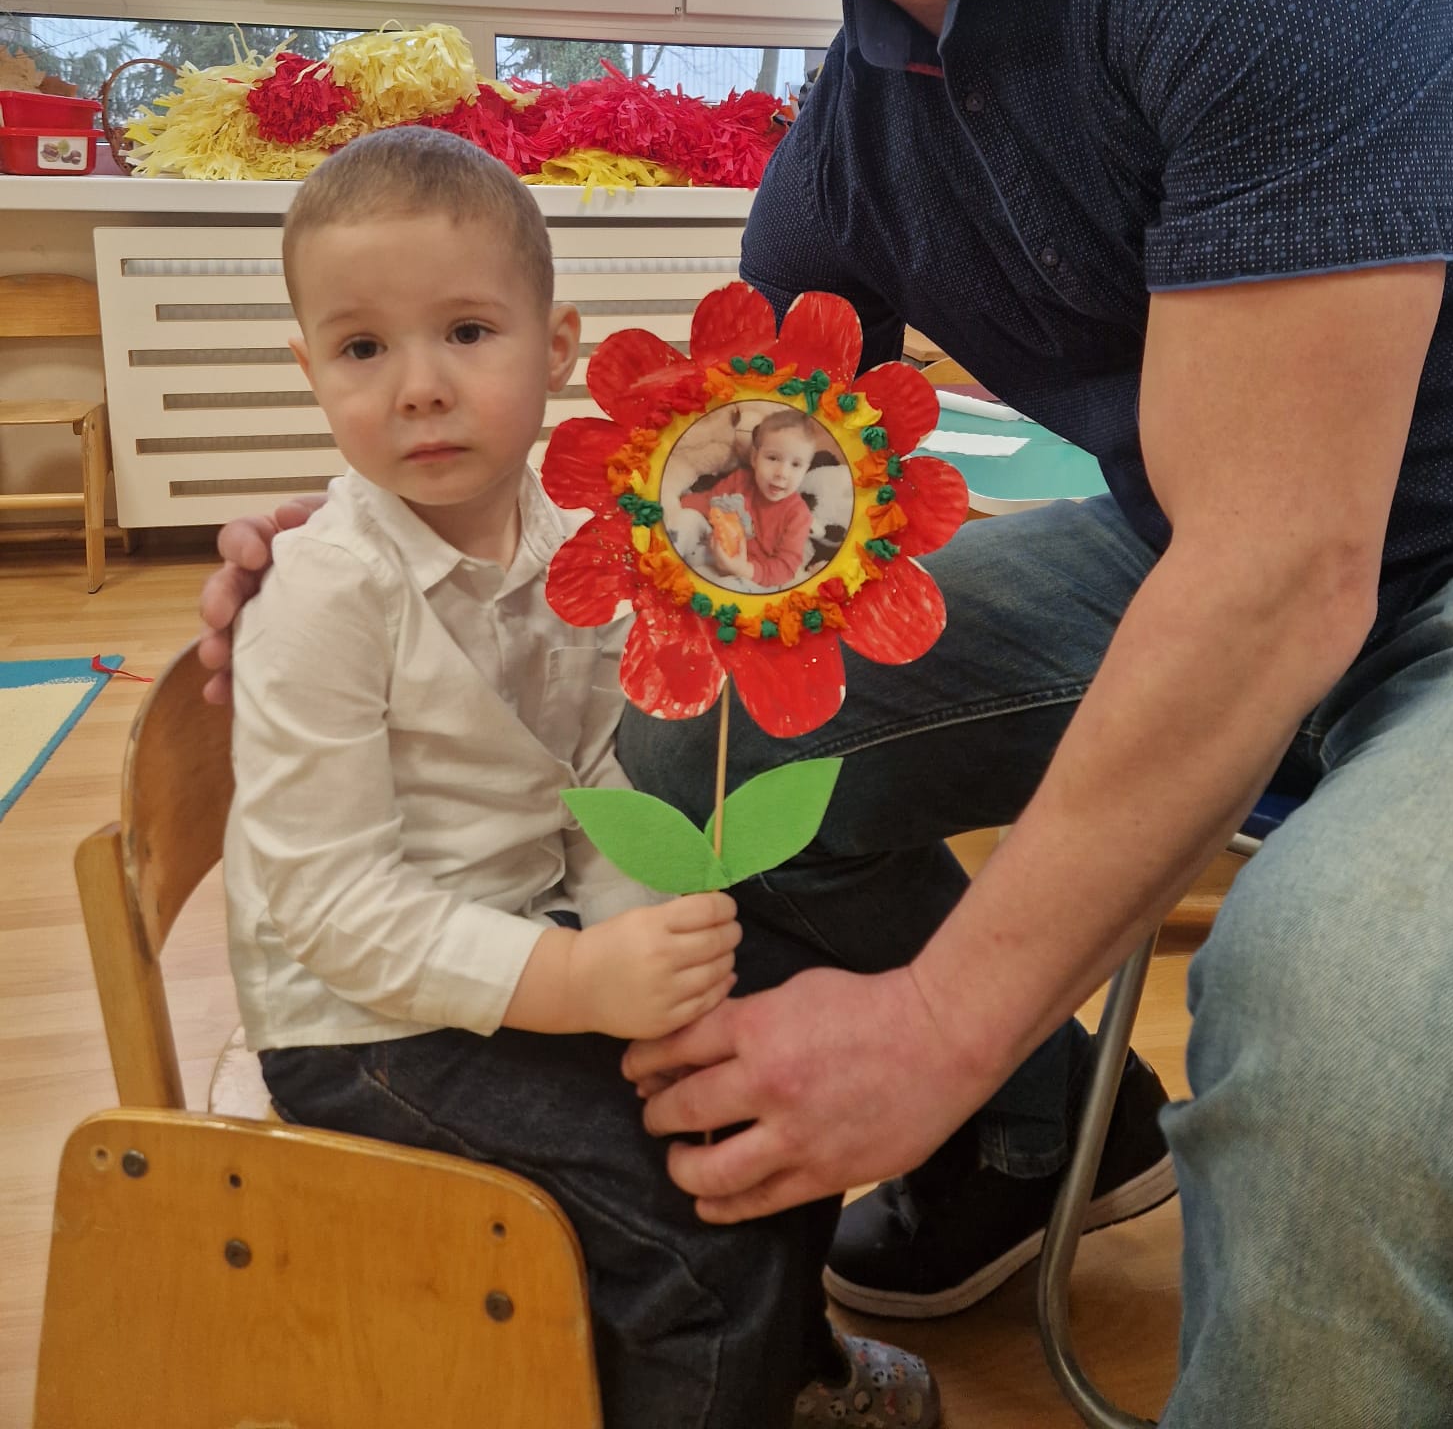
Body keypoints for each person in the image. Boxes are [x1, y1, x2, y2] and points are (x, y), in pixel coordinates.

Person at [200, 0, 1453, 1426]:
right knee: (690, 739)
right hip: (1210, 545)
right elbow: (717, 516)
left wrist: (937, 1020)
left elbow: (1283, 565)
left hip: (1429, 574)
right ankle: (1042, 1138)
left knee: (1337, 1036)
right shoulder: (857, 141)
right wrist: (379, 531)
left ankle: (1031, 1112)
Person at [222, 125, 941, 1429]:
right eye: (363, 348)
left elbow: (605, 775)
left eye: (467, 332)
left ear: (556, 347)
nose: (420, 388)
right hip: (360, 1027)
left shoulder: (582, 547)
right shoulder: (322, 594)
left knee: (779, 1081)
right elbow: (327, 909)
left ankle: (782, 1372)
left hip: (524, 938)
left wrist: (637, 950)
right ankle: (723, 1358)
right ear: (309, 369)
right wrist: (576, 983)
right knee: (701, 1240)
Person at [679, 406, 818, 586]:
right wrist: (676, 503)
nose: (782, 473)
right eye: (773, 458)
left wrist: (743, 569)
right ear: (754, 458)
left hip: (754, 579)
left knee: (729, 586)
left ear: (806, 470)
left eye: (796, 465)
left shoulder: (798, 515)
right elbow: (709, 502)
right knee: (686, 520)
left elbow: (785, 569)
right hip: (713, 554)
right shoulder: (740, 480)